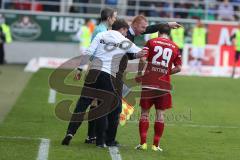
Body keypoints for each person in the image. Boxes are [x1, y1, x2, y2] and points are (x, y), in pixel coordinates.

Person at [61, 19, 147, 147]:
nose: (125, 34)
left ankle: (70, 133)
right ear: (123, 29)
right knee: (103, 109)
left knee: (81, 105)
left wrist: (80, 69)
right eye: (125, 31)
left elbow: (89, 52)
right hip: (107, 76)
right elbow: (140, 53)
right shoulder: (124, 40)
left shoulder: (101, 35)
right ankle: (100, 142)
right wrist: (147, 51)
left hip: (93, 73)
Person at [135, 25, 182, 151]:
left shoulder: (151, 42)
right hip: (164, 85)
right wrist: (166, 73)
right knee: (160, 115)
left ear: (159, 32)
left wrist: (140, 73)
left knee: (145, 113)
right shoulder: (175, 47)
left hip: (148, 83)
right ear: (169, 33)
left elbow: (143, 59)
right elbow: (178, 68)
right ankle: (156, 145)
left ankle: (143, 143)